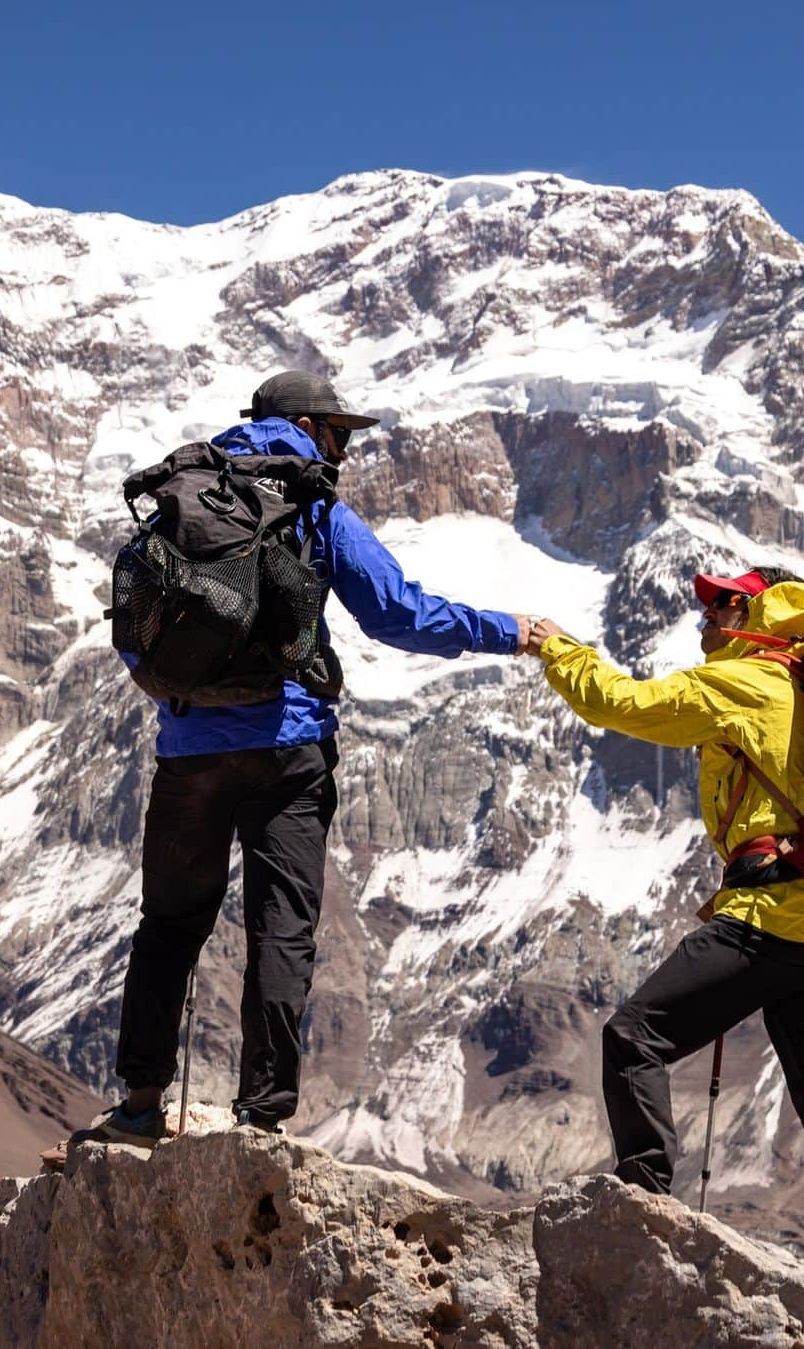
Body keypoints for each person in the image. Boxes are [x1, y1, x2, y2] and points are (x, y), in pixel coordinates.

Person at [80, 370, 530, 1145]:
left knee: (168, 925)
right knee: (281, 928)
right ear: (310, 428)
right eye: (341, 433)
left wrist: (184, 707)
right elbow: (397, 614)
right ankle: (262, 1119)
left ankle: (140, 1103)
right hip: (288, 751)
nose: (346, 449)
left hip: (190, 752)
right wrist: (511, 631)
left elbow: (135, 620)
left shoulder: (184, 495)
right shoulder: (313, 503)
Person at [526, 567, 804, 1311]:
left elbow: (625, 704)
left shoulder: (751, 681)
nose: (704, 615)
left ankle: (644, 1206)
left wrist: (559, 651)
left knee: (634, 1039)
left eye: (718, 603)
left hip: (770, 917)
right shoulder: (801, 681)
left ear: (750, 611)